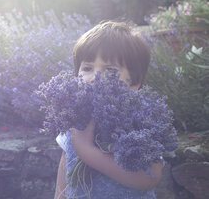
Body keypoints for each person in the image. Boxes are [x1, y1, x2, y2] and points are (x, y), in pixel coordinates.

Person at [54, 21, 163, 199]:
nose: (95, 77)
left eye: (110, 70)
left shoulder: (140, 120)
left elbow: (149, 178)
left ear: (134, 82)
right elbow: (64, 175)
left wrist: (86, 151)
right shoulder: (75, 117)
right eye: (87, 68)